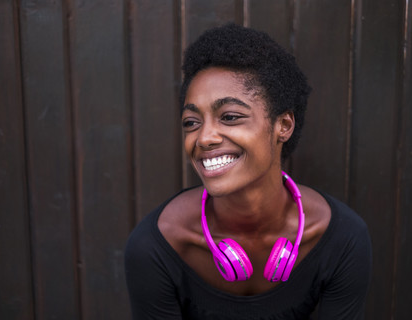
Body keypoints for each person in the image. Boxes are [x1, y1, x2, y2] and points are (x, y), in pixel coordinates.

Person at [125, 24, 372, 319]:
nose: (204, 138)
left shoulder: (342, 237)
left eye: (229, 117)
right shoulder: (155, 246)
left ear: (283, 126)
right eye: (192, 122)